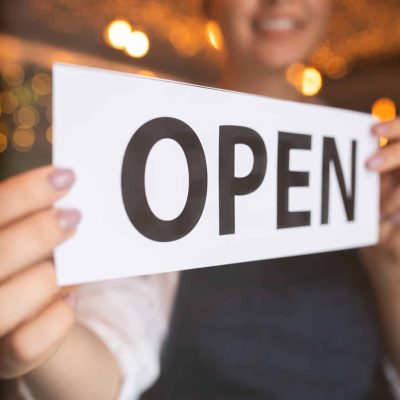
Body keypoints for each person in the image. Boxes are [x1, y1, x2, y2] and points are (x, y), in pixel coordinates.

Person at [1, 0, 400, 399]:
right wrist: (43, 342)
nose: (280, 1)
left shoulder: (367, 162)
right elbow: (112, 356)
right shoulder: (154, 149)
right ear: (211, 6)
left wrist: (389, 265)